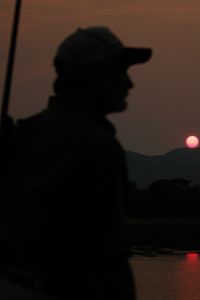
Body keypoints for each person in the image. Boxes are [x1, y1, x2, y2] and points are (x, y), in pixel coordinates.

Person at [0, 26, 152, 299]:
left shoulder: (25, 135)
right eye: (121, 71)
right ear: (94, 76)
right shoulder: (98, 147)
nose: (129, 84)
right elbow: (107, 258)